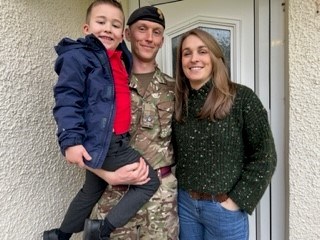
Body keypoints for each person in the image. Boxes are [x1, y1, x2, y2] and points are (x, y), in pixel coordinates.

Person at [43, 1, 161, 239]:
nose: (108, 28)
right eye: (101, 22)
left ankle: (60, 234)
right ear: (86, 28)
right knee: (149, 181)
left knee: (91, 189)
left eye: (115, 25)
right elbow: (67, 98)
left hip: (110, 138)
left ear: (122, 34)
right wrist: (70, 140)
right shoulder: (79, 57)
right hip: (107, 141)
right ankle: (102, 230)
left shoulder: (118, 58)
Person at [172, 28, 277, 240]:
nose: (194, 59)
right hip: (185, 207)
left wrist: (236, 200)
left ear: (215, 57)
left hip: (223, 211)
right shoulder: (178, 103)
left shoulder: (241, 99)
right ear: (181, 62)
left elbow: (265, 156)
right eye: (187, 53)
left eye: (202, 51)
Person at [90, 6, 179, 240]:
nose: (149, 38)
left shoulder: (175, 89)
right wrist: (106, 175)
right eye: (142, 29)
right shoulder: (104, 84)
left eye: (156, 32)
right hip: (113, 196)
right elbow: (78, 142)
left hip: (161, 202)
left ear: (162, 40)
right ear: (127, 34)